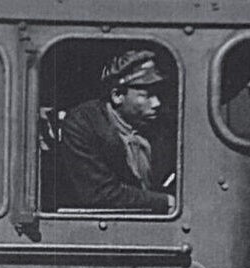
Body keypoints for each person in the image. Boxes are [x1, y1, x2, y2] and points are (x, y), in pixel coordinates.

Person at [59, 49, 175, 213]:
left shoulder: (159, 125)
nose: (156, 103)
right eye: (147, 95)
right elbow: (99, 193)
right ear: (117, 95)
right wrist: (164, 201)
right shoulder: (83, 125)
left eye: (158, 94)